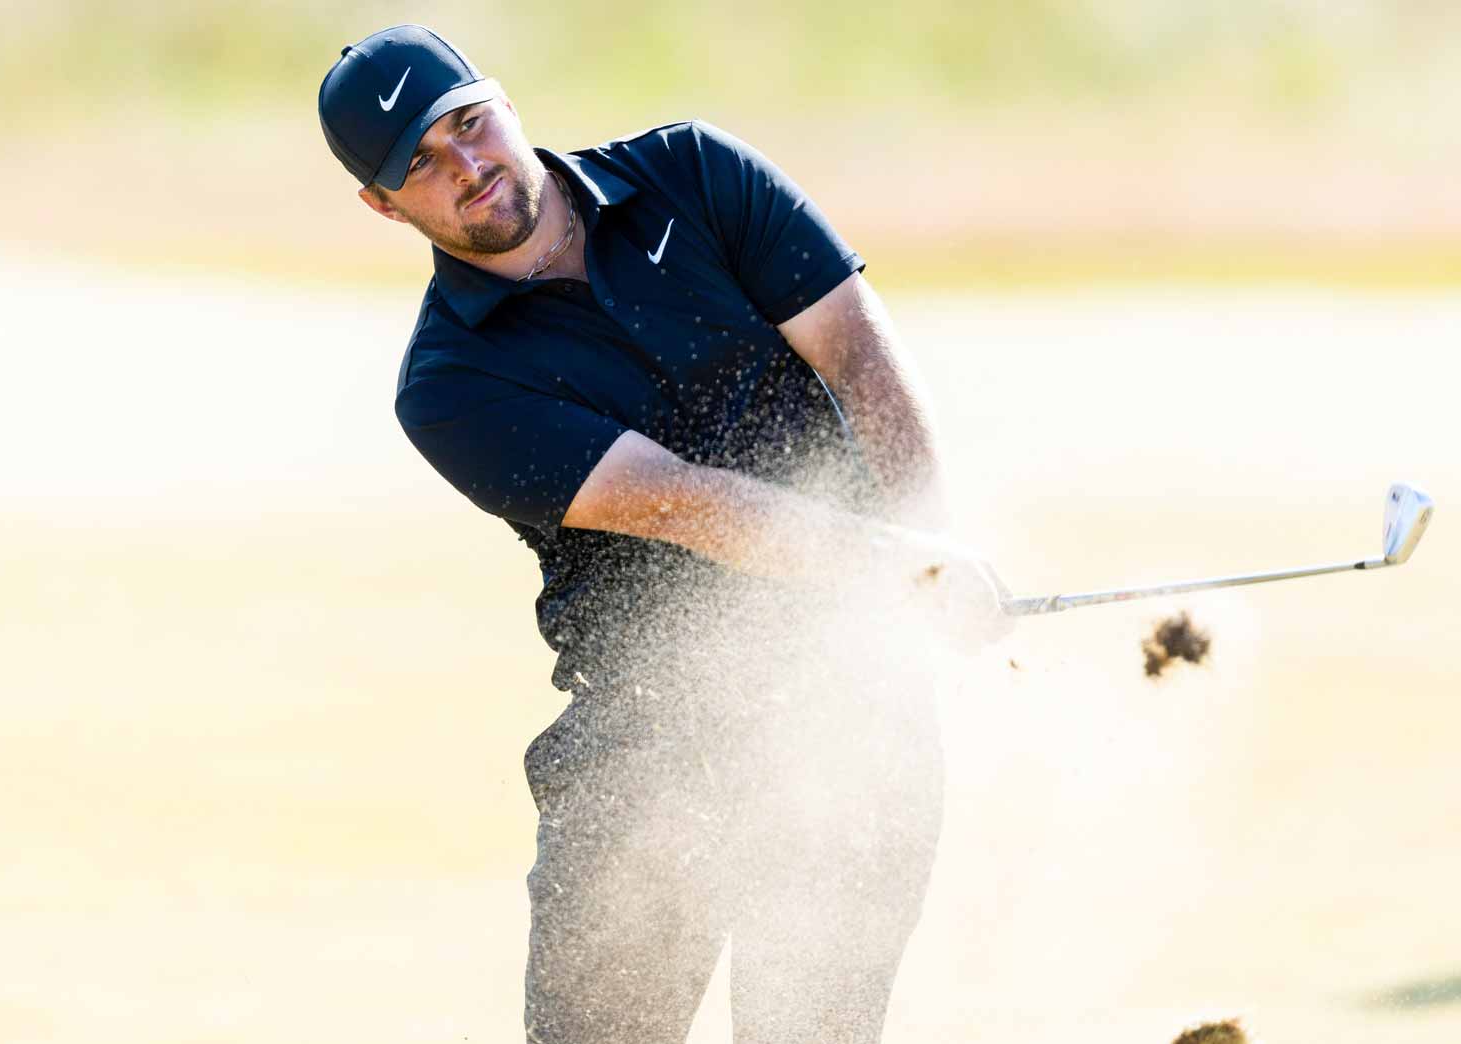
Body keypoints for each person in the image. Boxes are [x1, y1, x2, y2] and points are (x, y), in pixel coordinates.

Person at [318, 24, 1009, 1043]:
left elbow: (859, 356)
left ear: (502, 101)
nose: (465, 167)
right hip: (644, 760)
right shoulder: (448, 387)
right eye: (417, 165)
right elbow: (681, 503)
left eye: (466, 125)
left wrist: (930, 550)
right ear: (380, 205)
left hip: (848, 721)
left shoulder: (692, 173)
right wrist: (902, 573)